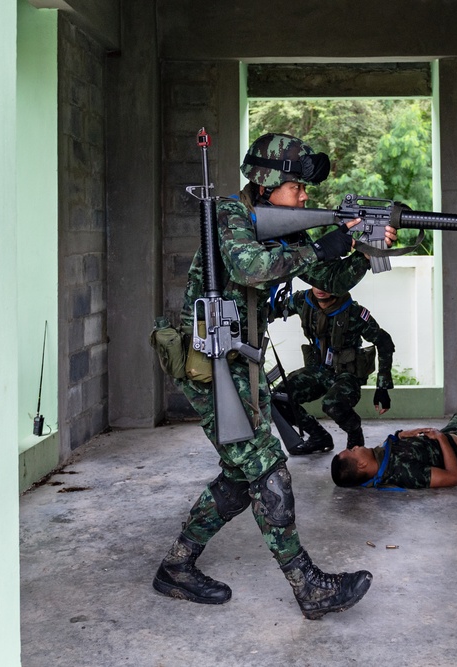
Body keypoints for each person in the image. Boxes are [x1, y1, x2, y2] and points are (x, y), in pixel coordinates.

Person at [153, 132, 396, 619]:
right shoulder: (229, 215)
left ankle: (177, 567)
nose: (303, 197)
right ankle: (309, 587)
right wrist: (319, 248)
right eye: (295, 188)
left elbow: (330, 280)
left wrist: (364, 250)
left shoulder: (283, 226)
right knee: (267, 470)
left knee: (241, 476)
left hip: (239, 358)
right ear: (265, 184)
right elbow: (248, 267)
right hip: (209, 361)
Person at [271, 286, 395, 455]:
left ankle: (355, 436)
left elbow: (384, 341)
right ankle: (318, 436)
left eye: (326, 284)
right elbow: (271, 311)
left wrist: (382, 386)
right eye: (316, 282)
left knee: (332, 404)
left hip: (346, 374)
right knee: (279, 399)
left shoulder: (354, 312)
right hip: (318, 370)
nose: (320, 288)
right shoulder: (302, 301)